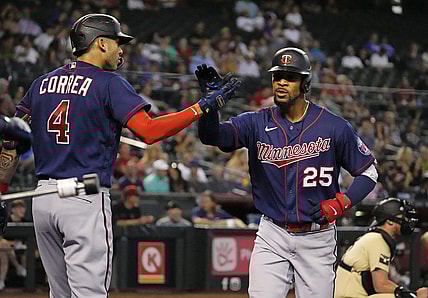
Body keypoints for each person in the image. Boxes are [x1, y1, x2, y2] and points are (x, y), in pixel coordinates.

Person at [0, 13, 239, 298]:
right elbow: (148, 132)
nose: (121, 49)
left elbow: (9, 142)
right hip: (82, 197)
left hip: (43, 200)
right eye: (117, 42)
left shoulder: (40, 84)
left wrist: (2, 190)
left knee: (59, 294)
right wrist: (199, 108)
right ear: (100, 43)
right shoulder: (108, 82)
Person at [197, 47, 378, 298]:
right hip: (273, 234)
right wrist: (209, 108)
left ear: (305, 83)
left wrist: (343, 202)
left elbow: (369, 172)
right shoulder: (255, 122)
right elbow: (211, 136)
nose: (281, 82)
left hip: (317, 236)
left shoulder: (334, 126)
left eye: (290, 77)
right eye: (277, 76)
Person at [335, 198, 428, 298]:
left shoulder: (375, 237)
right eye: (402, 217)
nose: (406, 221)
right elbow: (380, 285)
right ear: (389, 221)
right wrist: (412, 295)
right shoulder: (378, 240)